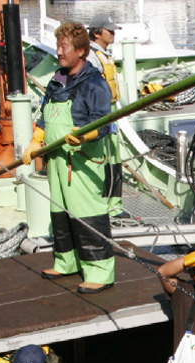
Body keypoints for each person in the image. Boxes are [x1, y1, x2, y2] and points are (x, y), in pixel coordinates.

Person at [21, 22, 116, 295]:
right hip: (57, 160)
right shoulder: (56, 80)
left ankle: (100, 272)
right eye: (58, 45)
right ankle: (66, 261)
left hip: (83, 162)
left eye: (64, 47)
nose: (59, 52)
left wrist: (85, 136)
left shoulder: (94, 83)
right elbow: (44, 116)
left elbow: (104, 123)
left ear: (82, 51)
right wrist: (36, 140)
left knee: (88, 216)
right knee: (60, 214)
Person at [86, 14, 126, 219]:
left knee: (114, 159)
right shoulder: (91, 56)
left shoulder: (105, 54)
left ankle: (114, 203)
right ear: (96, 32)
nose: (113, 34)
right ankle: (106, 205)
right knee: (105, 158)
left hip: (111, 111)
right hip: (101, 113)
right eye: (109, 31)